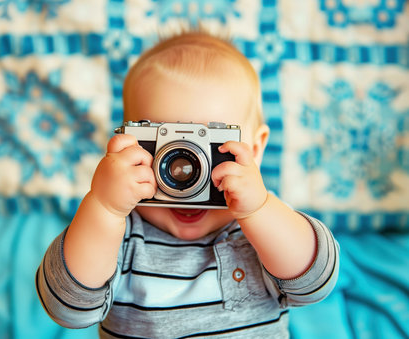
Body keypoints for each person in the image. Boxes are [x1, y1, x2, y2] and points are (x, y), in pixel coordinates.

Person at [36, 31, 339, 338]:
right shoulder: (119, 234)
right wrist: (103, 208)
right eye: (165, 145)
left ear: (255, 150)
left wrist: (259, 209)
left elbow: (315, 284)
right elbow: (67, 309)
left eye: (210, 145)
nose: (186, 172)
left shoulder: (261, 224)